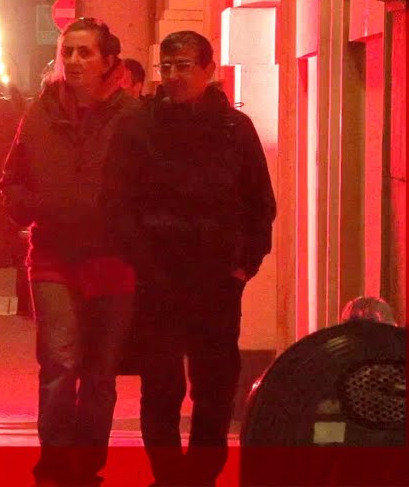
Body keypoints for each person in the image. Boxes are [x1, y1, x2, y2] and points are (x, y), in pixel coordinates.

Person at [103, 30, 276, 487]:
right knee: (160, 386)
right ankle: (167, 476)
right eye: (168, 66)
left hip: (217, 280)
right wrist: (140, 264)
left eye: (185, 66)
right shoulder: (138, 126)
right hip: (156, 279)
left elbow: (260, 203)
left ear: (208, 71)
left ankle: (201, 475)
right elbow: (116, 203)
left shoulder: (234, 130)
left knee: (214, 387)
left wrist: (244, 265)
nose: (175, 76)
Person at [0, 18, 139, 486]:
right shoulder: (39, 115)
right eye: (69, 52)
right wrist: (31, 210)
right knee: (59, 364)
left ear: (108, 62)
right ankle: (56, 465)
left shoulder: (132, 117)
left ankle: (87, 467)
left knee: (99, 373)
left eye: (85, 53)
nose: (75, 61)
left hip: (112, 261)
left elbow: (156, 185)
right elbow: (11, 179)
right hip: (54, 257)